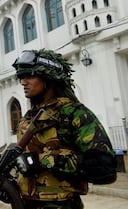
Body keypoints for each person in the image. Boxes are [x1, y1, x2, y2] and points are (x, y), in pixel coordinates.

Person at [12, 49, 116, 209]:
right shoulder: (28, 118)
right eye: (21, 77)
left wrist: (43, 160)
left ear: (49, 78)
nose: (23, 82)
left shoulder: (74, 114)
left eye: (30, 76)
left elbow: (104, 167)